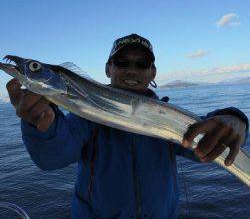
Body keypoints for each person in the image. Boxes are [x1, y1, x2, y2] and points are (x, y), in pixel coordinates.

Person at [6, 34, 249, 218]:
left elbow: (206, 143)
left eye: (142, 64)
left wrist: (234, 117)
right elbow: (52, 159)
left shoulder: (166, 117)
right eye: (122, 62)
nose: (131, 70)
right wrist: (41, 126)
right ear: (108, 69)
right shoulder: (83, 119)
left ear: (153, 72)